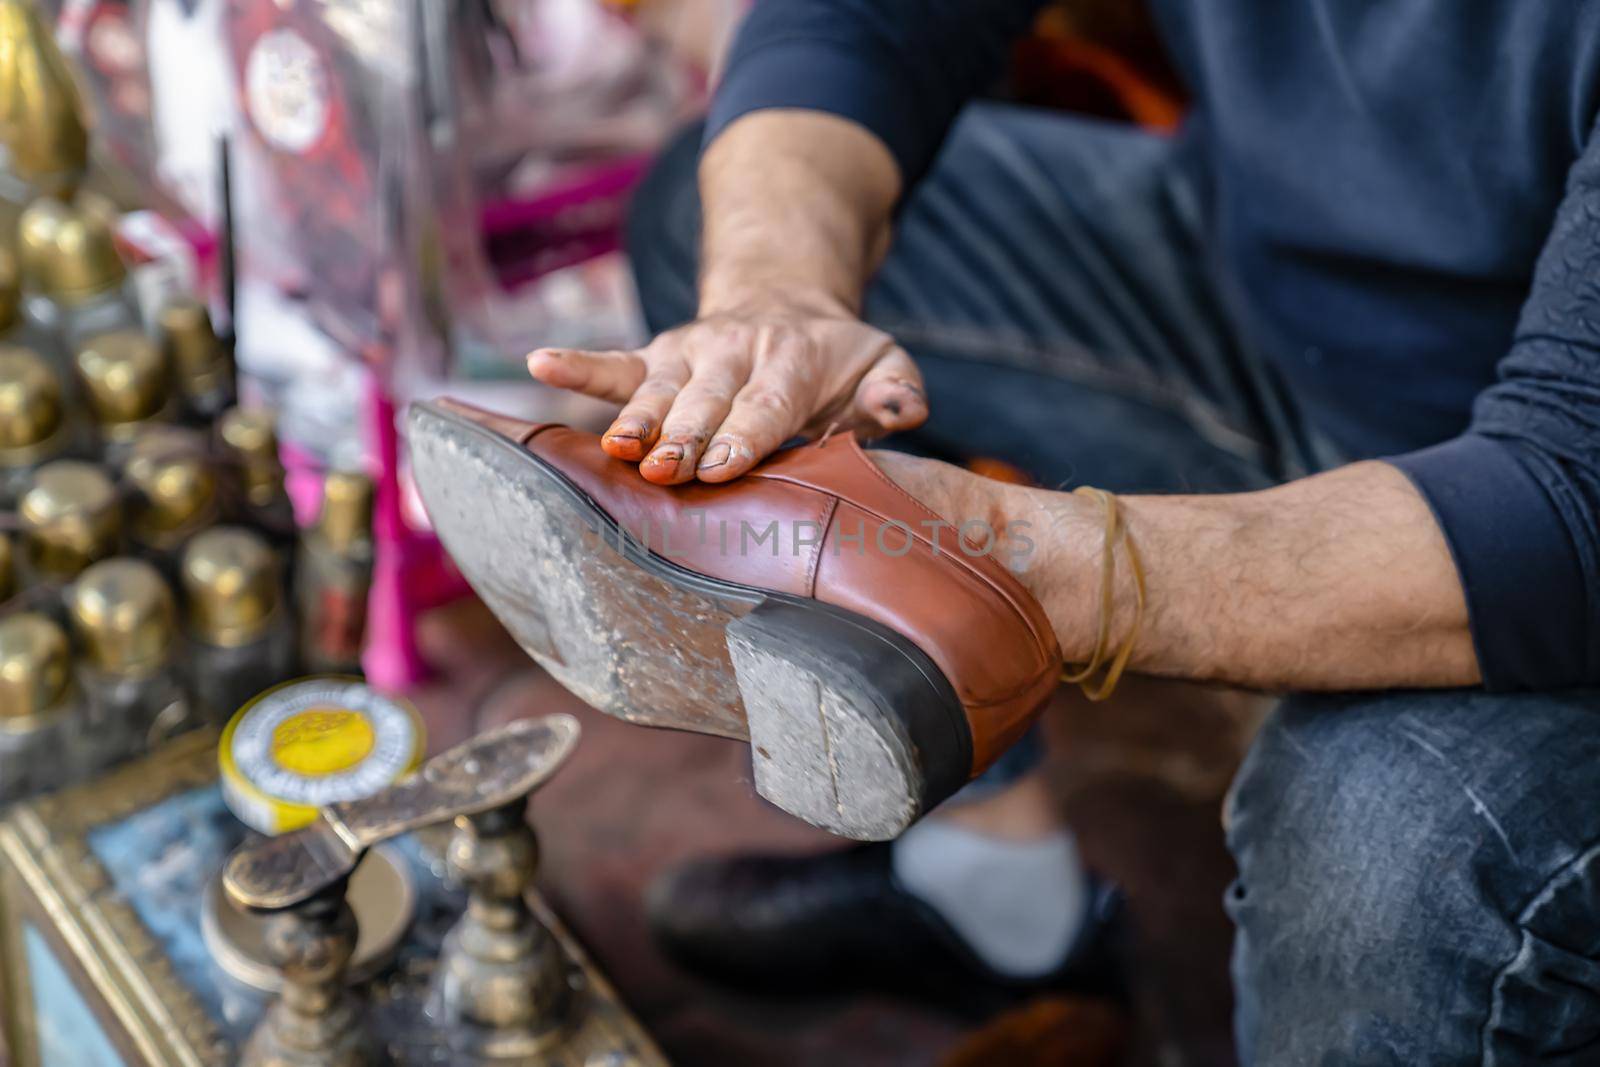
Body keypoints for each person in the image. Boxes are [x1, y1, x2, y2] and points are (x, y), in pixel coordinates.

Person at [519, 2, 1600, 1060]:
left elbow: (1567, 504)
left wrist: (1008, 562)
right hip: (1285, 306)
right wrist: (772, 297)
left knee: (1383, 841)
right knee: (714, 215)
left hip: (1548, 491)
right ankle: (998, 907)